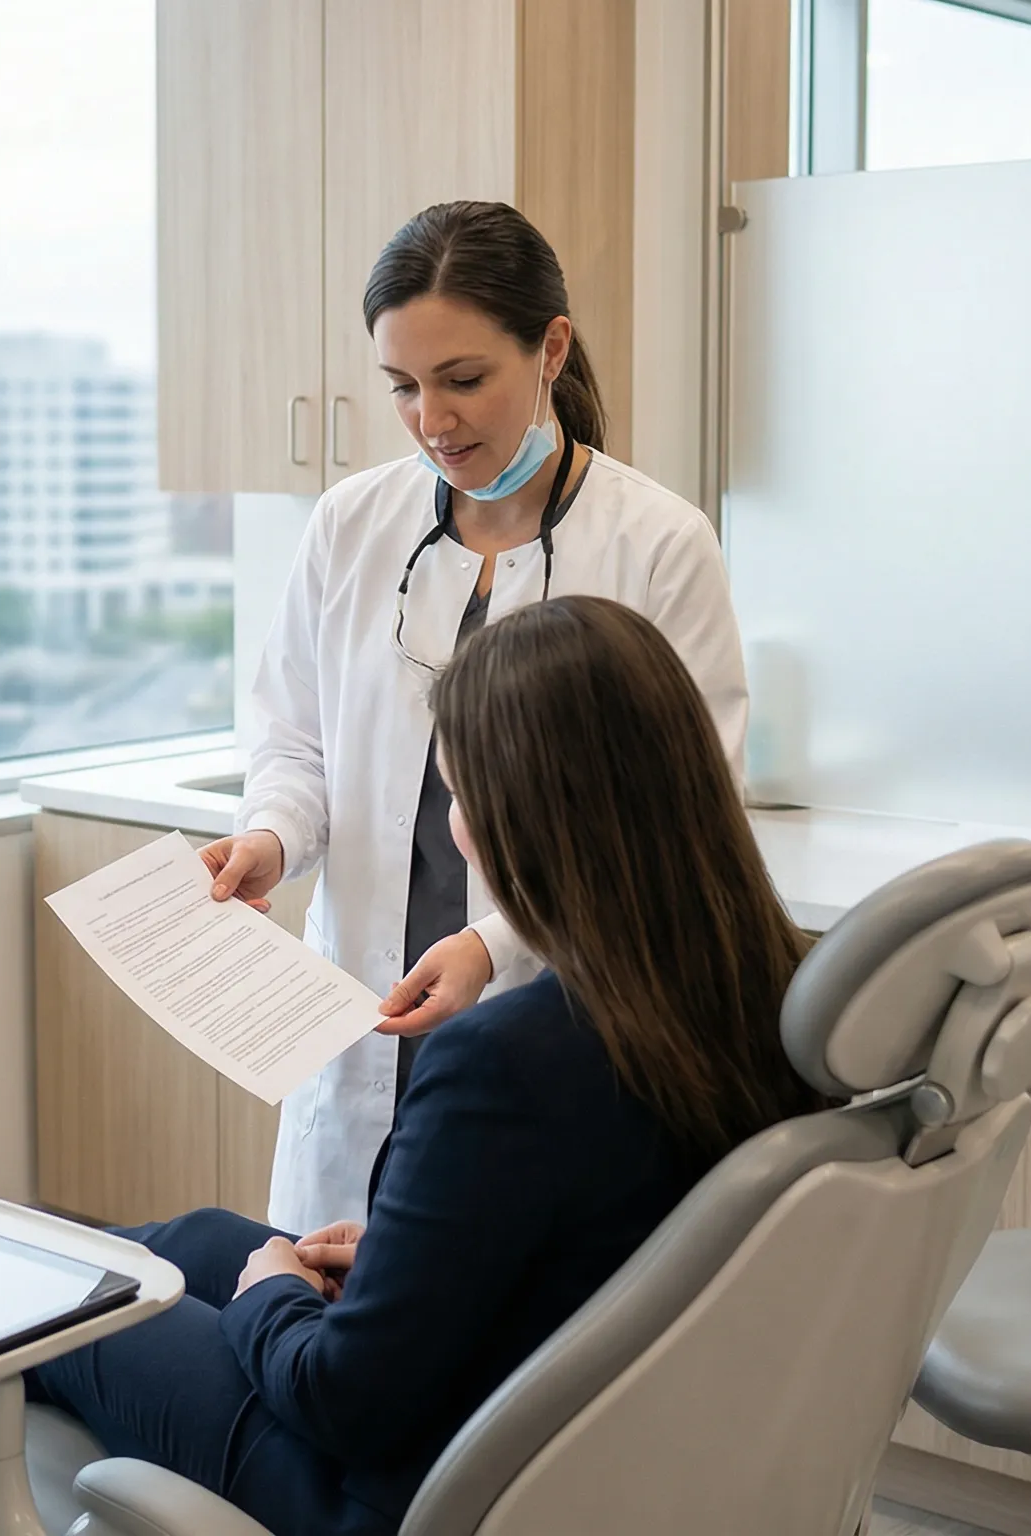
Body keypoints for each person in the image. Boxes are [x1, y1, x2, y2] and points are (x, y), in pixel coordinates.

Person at [0, 598, 815, 1536]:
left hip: (386, 1490)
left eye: (459, 797)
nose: (454, 828)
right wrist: (409, 1258)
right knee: (202, 1236)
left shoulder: (504, 1065)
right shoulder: (761, 994)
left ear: (526, 820)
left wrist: (270, 1293)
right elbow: (595, 1243)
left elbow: (342, 1399)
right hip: (551, 1425)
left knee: (80, 1295)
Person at [203, 200, 751, 1235]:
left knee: (500, 1309)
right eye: (402, 386)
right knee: (323, 1300)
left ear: (552, 349)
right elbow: (294, 741)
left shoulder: (658, 546)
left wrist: (498, 948)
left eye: (462, 380)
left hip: (555, 1017)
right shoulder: (351, 524)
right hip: (359, 1022)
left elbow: (679, 827)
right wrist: (271, 838)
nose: (432, 420)